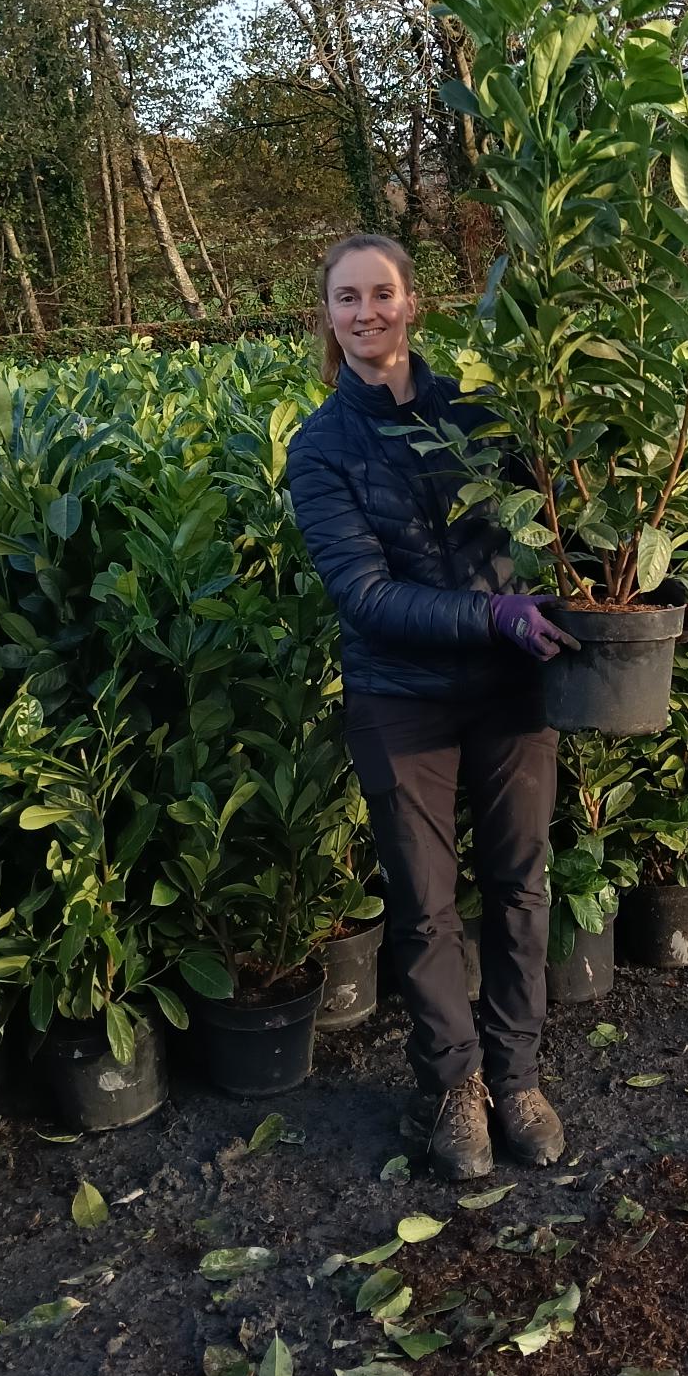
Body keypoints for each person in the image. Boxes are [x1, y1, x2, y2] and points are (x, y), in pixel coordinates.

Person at [286, 232, 580, 1181]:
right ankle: (453, 1087)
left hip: (507, 691)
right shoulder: (322, 447)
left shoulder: (485, 414)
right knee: (424, 904)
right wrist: (493, 613)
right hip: (399, 698)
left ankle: (519, 1076)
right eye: (346, 299)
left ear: (413, 303)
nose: (365, 312)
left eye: (381, 293)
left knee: (521, 886)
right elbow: (365, 596)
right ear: (328, 317)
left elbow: (549, 519)